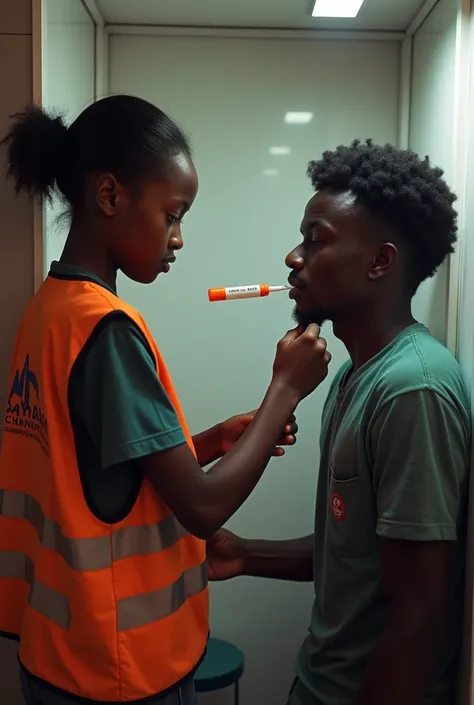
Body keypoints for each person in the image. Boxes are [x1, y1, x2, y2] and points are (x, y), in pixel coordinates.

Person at [0, 96, 332, 705]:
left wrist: (207, 443)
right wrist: (284, 390)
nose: (178, 239)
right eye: (172, 214)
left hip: (54, 651)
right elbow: (202, 508)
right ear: (109, 196)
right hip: (119, 667)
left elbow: (97, 470)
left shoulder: (48, 310)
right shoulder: (106, 330)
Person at [207, 139, 471, 705]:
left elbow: (417, 618)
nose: (292, 258)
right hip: (319, 684)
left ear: (380, 261)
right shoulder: (354, 376)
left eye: (315, 239)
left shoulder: (413, 389)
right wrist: (247, 554)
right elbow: (355, 554)